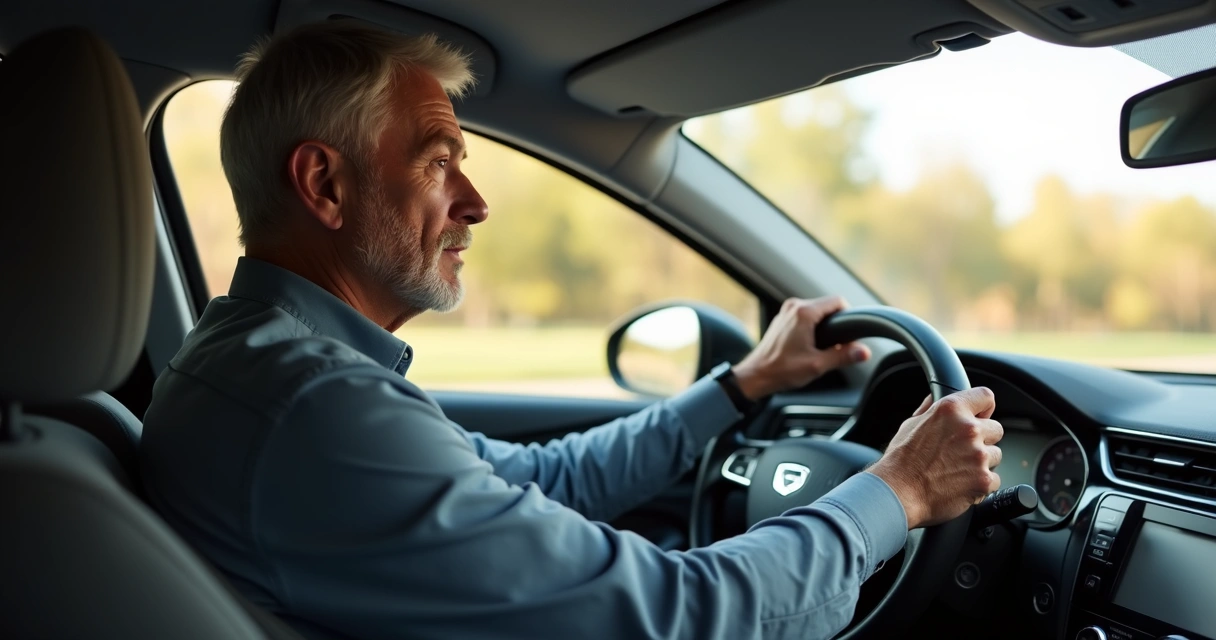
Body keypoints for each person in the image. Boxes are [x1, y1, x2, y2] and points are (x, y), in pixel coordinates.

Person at [139, 21, 1004, 640]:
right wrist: (900, 491)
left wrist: (743, 387)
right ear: (325, 185)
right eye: (438, 161)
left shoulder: (245, 366)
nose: (475, 204)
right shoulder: (317, 408)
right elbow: (682, 615)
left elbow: (543, 479)